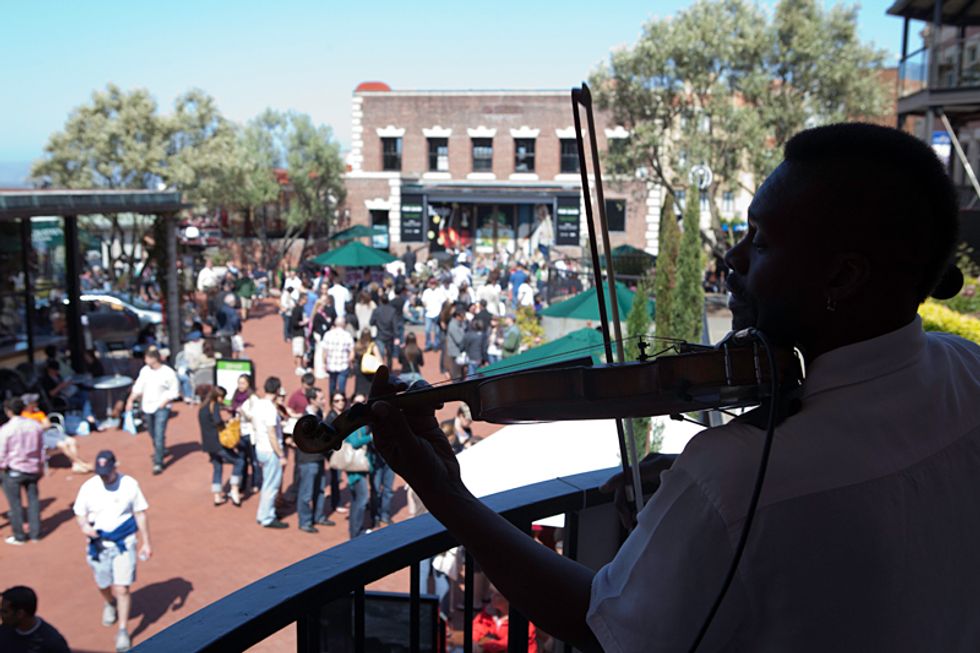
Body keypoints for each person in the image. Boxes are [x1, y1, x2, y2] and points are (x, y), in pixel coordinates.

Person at [365, 123, 980, 652]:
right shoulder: (969, 369)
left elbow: (600, 624)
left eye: (761, 241)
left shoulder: (735, 477)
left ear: (843, 277)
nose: (733, 260)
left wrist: (446, 493)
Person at [73, 450, 151, 653]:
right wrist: (84, 527)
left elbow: (140, 513)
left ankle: (123, 630)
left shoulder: (129, 485)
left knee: (123, 588)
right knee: (103, 583)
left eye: (107, 472)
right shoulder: (89, 487)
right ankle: (109, 603)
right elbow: (80, 513)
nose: (104, 477)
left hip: (124, 542)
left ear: (116, 466)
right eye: (101, 473)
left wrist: (146, 542)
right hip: (99, 544)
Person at [125, 347, 179, 475]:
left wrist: (164, 403)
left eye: (147, 358)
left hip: (161, 408)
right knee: (152, 432)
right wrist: (130, 400)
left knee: (159, 433)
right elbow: (138, 387)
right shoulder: (145, 371)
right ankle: (161, 449)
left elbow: (174, 391)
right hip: (147, 407)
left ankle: (158, 462)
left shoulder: (168, 372)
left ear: (154, 359)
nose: (145, 360)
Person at [0, 398, 44, 545]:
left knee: (15, 504)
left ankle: (19, 536)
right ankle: (35, 534)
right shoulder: (34, 426)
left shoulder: (6, 429)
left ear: (9, 411)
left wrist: (3, 466)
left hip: (14, 470)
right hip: (33, 469)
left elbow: (1, 452)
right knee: (33, 501)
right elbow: (41, 449)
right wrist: (41, 466)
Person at [295, 387, 335, 533]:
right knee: (306, 493)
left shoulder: (316, 415)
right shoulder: (305, 419)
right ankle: (305, 521)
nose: (324, 401)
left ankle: (318, 516)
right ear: (312, 400)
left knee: (320, 490)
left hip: (318, 458)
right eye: (321, 399)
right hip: (308, 460)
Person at [197, 385, 243, 507]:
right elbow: (217, 421)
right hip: (217, 443)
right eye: (222, 398)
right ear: (218, 397)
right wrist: (226, 423)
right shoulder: (214, 406)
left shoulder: (203, 407)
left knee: (217, 466)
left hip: (208, 444)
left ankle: (217, 495)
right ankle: (234, 489)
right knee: (239, 461)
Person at [251, 377, 288, 529]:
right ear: (277, 390)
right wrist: (281, 454)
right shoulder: (270, 409)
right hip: (270, 450)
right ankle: (267, 517)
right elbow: (272, 433)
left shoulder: (258, 404)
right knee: (271, 485)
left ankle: (265, 513)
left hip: (260, 448)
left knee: (267, 483)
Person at [0, 586, 70, 653]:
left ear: (20, 614)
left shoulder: (52, 642)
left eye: (5, 611)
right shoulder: (4, 630)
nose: (1, 615)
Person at [472, 584, 538, 653]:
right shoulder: (491, 611)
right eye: (491, 593)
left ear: (508, 601)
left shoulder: (523, 621)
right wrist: (473, 640)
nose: (491, 597)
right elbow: (479, 625)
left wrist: (483, 647)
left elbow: (509, 642)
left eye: (497, 595)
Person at [344, 393, 374, 540]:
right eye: (357, 403)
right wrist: (370, 437)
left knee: (357, 499)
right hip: (355, 467)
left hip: (357, 465)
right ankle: (356, 532)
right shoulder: (353, 422)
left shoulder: (359, 421)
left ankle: (355, 530)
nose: (361, 405)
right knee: (361, 499)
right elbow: (355, 442)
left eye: (363, 402)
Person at [231, 374, 261, 495]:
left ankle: (255, 483)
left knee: (254, 460)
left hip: (251, 433)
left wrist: (242, 412)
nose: (240, 386)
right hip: (240, 433)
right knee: (242, 459)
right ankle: (242, 484)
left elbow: (255, 417)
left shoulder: (253, 399)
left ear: (248, 384)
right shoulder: (236, 396)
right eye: (239, 383)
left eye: (243, 383)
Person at [322, 316, 356, 399]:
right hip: (343, 365)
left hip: (331, 365)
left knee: (332, 386)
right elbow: (352, 352)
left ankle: (332, 402)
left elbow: (324, 352)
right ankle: (342, 403)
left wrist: (324, 363)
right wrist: (350, 362)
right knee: (341, 388)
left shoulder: (328, 334)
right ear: (343, 324)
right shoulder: (347, 335)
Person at [370, 293, 403, 370]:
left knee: (380, 355)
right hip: (389, 335)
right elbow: (395, 324)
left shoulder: (377, 310)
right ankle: (389, 370)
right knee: (389, 355)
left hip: (380, 335)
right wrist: (397, 337)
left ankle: (380, 370)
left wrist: (378, 323)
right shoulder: (392, 310)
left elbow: (371, 322)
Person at [421, 277, 448, 351]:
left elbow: (444, 302)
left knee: (437, 331)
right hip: (428, 314)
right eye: (431, 283)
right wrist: (426, 307)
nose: (432, 285)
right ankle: (428, 344)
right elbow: (423, 301)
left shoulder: (440, 291)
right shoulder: (426, 291)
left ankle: (436, 344)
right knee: (427, 330)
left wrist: (441, 312)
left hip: (437, 313)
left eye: (434, 283)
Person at [289, 295, 308, 376]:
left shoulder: (301, 309)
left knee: (302, 351)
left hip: (301, 333)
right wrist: (303, 323)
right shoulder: (297, 309)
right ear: (301, 300)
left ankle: (301, 366)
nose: (306, 301)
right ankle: (298, 367)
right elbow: (294, 322)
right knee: (298, 351)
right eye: (305, 299)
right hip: (297, 333)